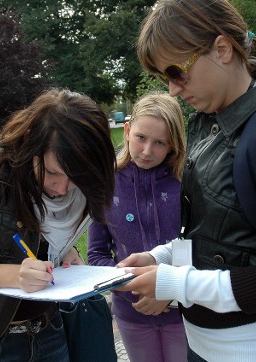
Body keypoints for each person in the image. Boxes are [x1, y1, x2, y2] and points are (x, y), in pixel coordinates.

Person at [117, 1, 256, 361]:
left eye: (177, 71)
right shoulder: (208, 125)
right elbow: (211, 235)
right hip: (201, 345)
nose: (172, 90)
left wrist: (173, 283)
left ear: (221, 49)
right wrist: (161, 257)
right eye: (164, 78)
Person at [0, 88, 116, 362]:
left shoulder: (78, 186)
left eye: (75, 177)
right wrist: (15, 275)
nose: (62, 188)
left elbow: (39, 234)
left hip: (49, 327)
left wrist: (64, 250)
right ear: (31, 146)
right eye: (52, 173)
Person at [87, 93, 188, 362]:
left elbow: (197, 246)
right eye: (141, 138)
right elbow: (96, 256)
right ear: (128, 130)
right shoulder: (106, 184)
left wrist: (167, 292)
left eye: (159, 143)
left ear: (173, 145)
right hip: (131, 315)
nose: (146, 151)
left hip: (185, 314)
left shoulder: (187, 184)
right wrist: (137, 285)